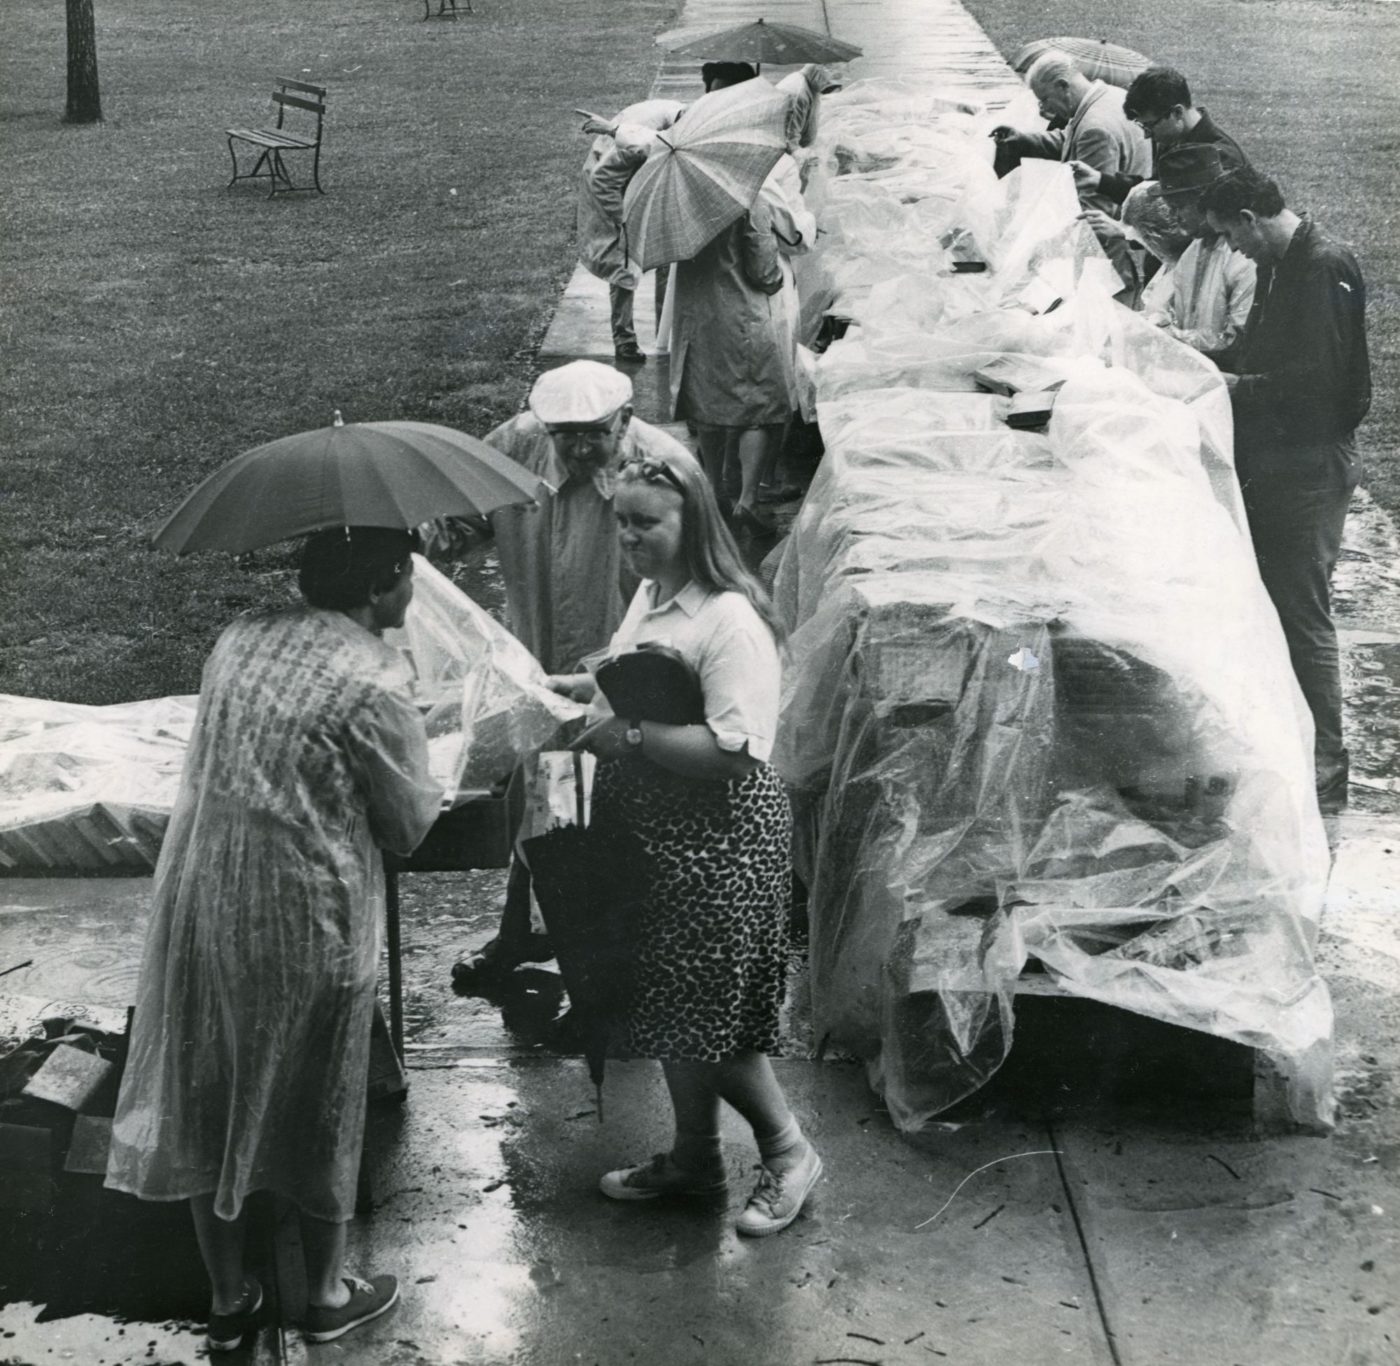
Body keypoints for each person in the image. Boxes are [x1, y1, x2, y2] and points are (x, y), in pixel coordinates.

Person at [105, 527, 442, 1353]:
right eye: (411, 578)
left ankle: (230, 1298)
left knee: (206, 1086)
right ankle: (326, 1295)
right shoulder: (375, 676)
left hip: (204, 898)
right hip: (304, 912)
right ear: (386, 583)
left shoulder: (239, 639)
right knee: (320, 1091)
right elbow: (407, 824)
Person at [547, 449, 823, 1237]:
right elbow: (634, 674)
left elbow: (735, 750)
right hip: (654, 839)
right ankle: (694, 1158)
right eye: (622, 521)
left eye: (647, 523)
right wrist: (578, 689)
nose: (630, 536)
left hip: (719, 842)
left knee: (711, 1017)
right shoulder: (654, 593)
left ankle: (790, 1152)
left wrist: (629, 736)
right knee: (669, 1005)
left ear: (691, 522)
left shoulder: (729, 618)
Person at [448, 360, 697, 977]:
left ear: (627, 420)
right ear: (543, 426)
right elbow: (462, 520)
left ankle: (605, 977)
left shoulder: (667, 470)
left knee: (604, 820)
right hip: (538, 659)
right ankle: (521, 935)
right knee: (537, 804)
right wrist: (411, 537)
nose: (583, 448)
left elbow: (698, 573)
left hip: (623, 673)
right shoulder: (514, 446)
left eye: (597, 433)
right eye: (567, 436)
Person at [1201, 166, 1371, 814]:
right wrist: (1206, 362)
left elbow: (1320, 383)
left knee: (1302, 610)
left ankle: (1327, 758)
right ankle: (1292, 741)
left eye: (1233, 238)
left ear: (1250, 218)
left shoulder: (1322, 266)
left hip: (1311, 460)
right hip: (1277, 456)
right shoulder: (1280, 263)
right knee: (1272, 601)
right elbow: (1254, 350)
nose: (1236, 252)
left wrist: (1240, 390)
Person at [991, 53, 1150, 288]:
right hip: (1129, 237)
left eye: (1045, 99)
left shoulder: (1094, 128)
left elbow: (1093, 207)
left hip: (1109, 260)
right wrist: (1023, 140)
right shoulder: (1111, 97)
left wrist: (1050, 248)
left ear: (1063, 86)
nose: (1043, 107)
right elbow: (1069, 139)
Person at [576, 99, 684, 364]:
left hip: (640, 177)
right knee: (624, 262)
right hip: (611, 180)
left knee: (666, 252)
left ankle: (665, 333)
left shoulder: (677, 116)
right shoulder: (637, 145)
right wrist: (624, 220)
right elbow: (604, 181)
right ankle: (624, 339)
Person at [1071, 65, 1246, 208]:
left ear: (1177, 112)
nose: (1147, 135)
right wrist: (1100, 181)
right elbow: (1154, 190)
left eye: (1149, 125)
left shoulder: (1221, 158)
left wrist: (1122, 232)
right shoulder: (1175, 137)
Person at [1144, 144, 1256, 365]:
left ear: (1204, 202)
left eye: (1179, 207)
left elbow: (1237, 340)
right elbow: (1166, 304)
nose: (1175, 217)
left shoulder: (1242, 254)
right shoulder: (1194, 249)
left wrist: (1174, 337)